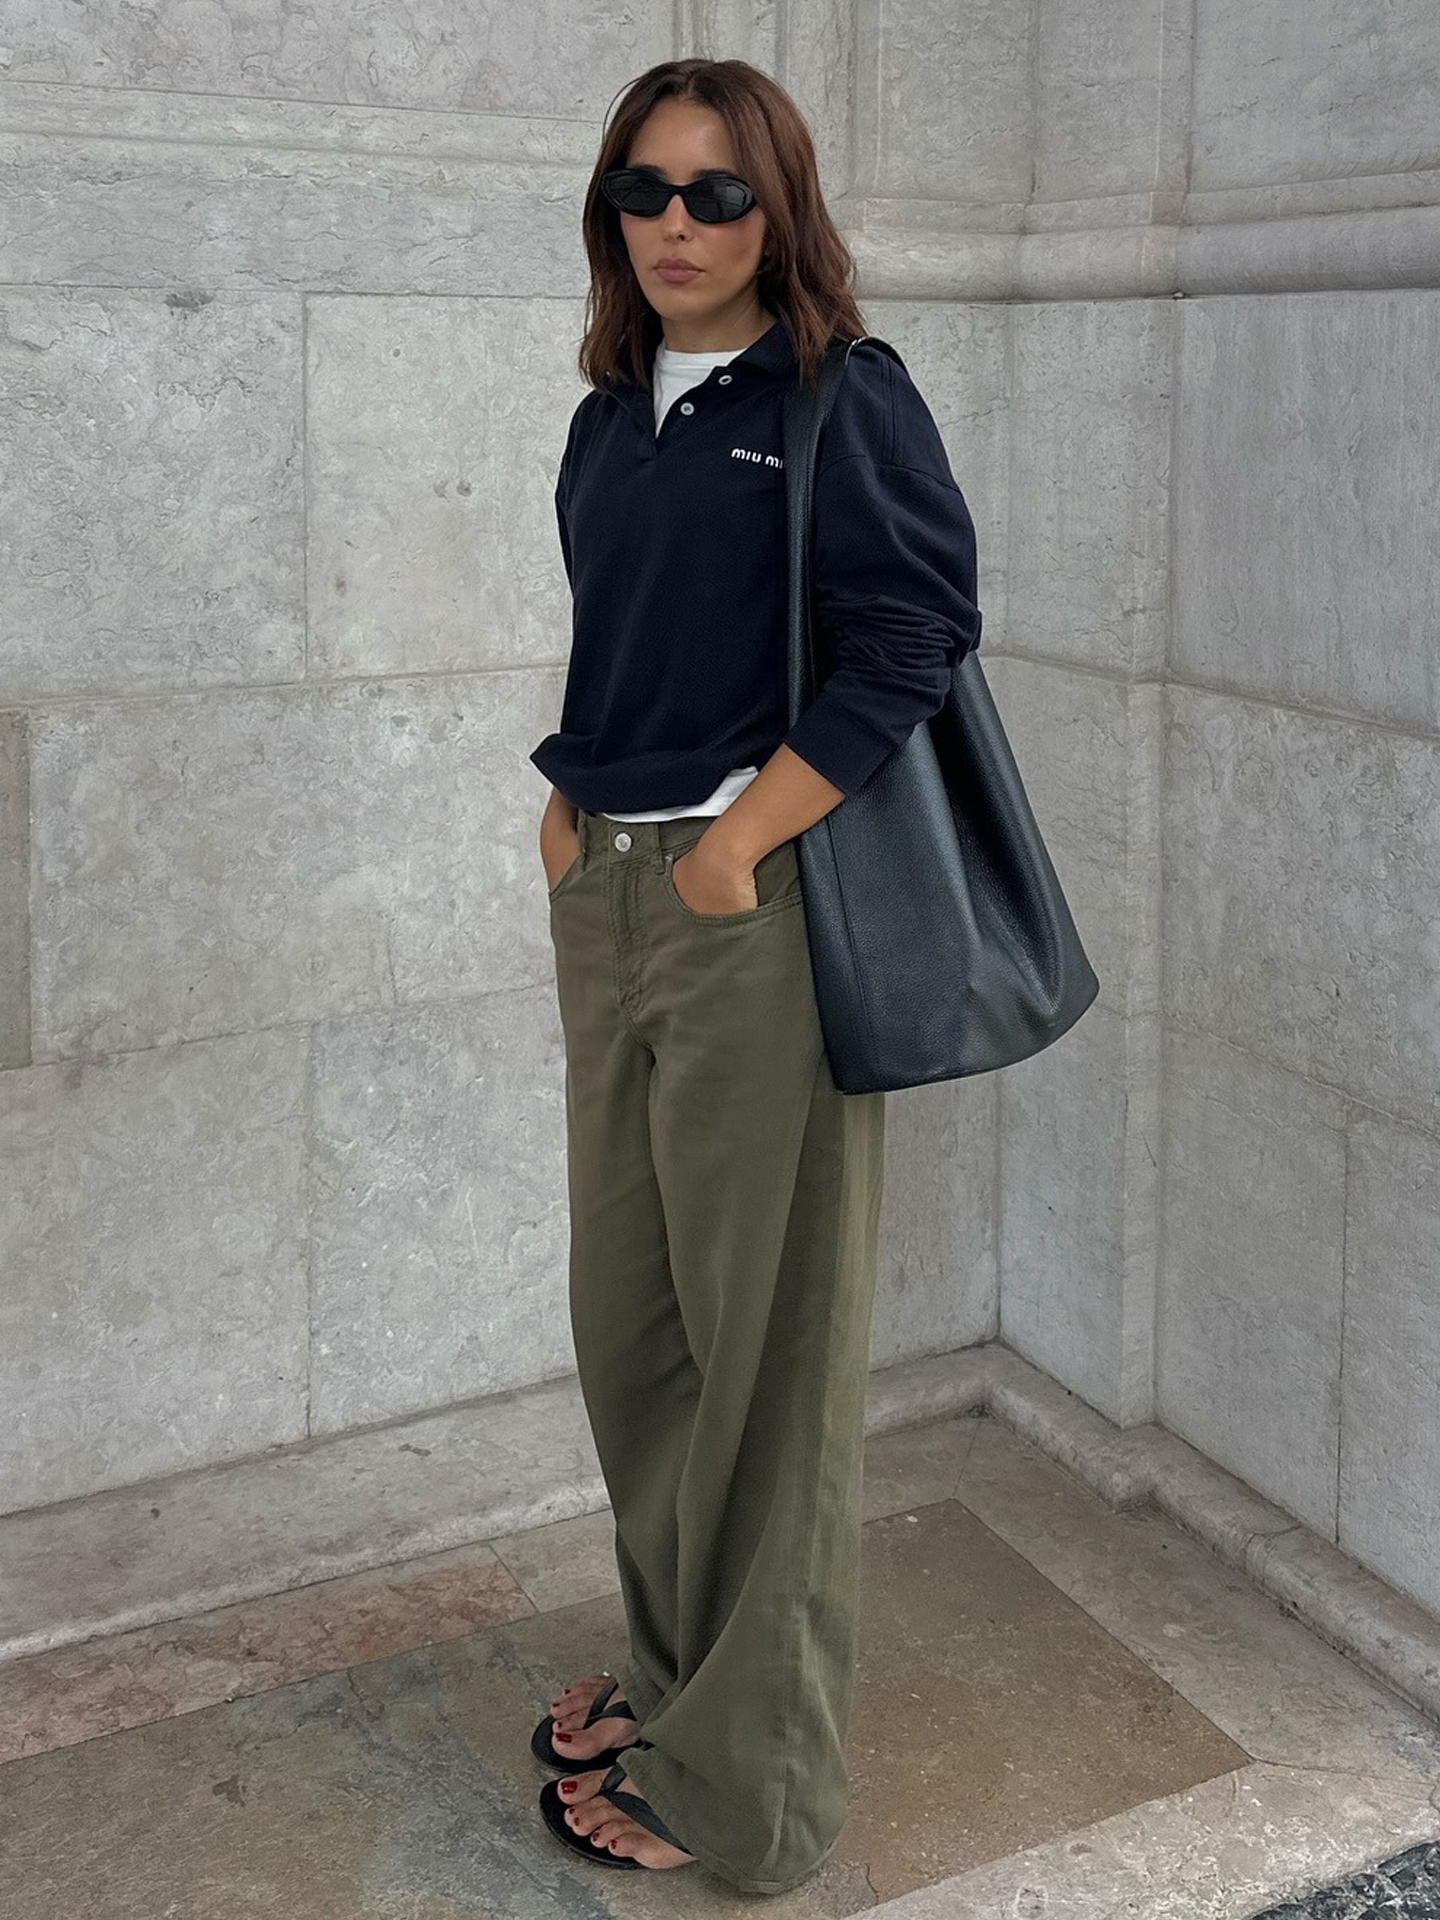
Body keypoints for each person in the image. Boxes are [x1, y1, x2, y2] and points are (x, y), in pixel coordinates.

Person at [528, 55, 982, 1895]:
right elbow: (624, 640)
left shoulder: (837, 397)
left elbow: (913, 634)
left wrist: (735, 847)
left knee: (765, 1366)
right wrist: (567, 804)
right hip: (610, 897)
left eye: (717, 192)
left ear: (778, 209)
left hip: (750, 913)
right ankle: (674, 1681)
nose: (676, 224)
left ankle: (750, 1799)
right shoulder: (609, 412)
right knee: (637, 1331)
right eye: (641, 189)